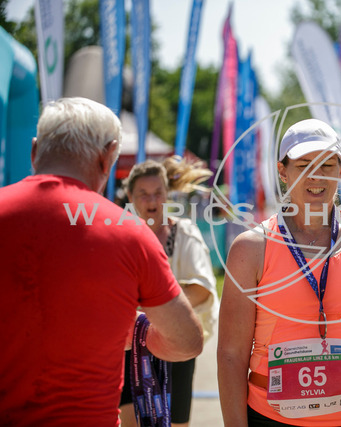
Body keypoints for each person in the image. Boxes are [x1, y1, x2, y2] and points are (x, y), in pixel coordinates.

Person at [0, 97, 203, 425]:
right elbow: (186, 341)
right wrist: (139, 333)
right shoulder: (131, 234)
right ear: (108, 156)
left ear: (35, 150)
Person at [217, 119, 341, 426]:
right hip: (274, 418)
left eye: (327, 165)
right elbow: (231, 355)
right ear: (282, 172)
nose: (316, 176)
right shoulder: (251, 248)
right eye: (303, 165)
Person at [119, 156, 220, 427]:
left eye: (158, 192)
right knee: (130, 422)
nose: (152, 200)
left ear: (168, 195)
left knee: (175, 424)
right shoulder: (122, 236)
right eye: (143, 193)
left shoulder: (184, 232)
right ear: (131, 198)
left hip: (175, 342)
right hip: (129, 346)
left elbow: (201, 289)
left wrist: (153, 312)